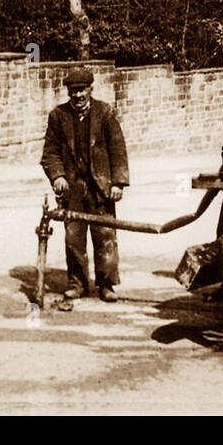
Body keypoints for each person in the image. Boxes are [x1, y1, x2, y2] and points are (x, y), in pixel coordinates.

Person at [40, 69, 129, 302]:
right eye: (73, 91)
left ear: (91, 89)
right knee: (73, 239)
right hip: (73, 188)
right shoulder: (58, 116)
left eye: (81, 90)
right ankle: (77, 283)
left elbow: (118, 149)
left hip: (101, 187)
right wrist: (58, 176)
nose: (77, 95)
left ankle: (107, 284)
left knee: (105, 236)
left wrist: (118, 182)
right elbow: (50, 153)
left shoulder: (105, 113)